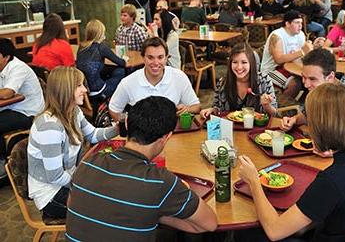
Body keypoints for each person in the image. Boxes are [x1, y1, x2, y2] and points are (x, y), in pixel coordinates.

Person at [238, 83, 345, 241]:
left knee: (249, 234)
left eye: (310, 121)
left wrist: (253, 181)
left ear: (322, 127)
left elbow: (274, 230)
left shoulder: (333, 180)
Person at [65, 96, 217, 240]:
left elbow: (71, 204)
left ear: (126, 124)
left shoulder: (88, 162)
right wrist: (155, 213)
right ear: (166, 138)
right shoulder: (160, 182)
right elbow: (209, 224)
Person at [27, 67, 119, 219]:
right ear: (65, 89)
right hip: (51, 195)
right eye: (79, 85)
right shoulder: (50, 128)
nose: (85, 90)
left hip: (67, 181)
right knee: (109, 206)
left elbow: (93, 135)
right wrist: (86, 183)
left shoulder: (74, 111)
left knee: (112, 193)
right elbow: (55, 177)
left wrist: (119, 128)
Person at [109, 37, 201, 121]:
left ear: (166, 58)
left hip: (172, 133)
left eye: (160, 57)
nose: (156, 63)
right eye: (150, 57)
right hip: (142, 136)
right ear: (143, 58)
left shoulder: (179, 77)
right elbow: (114, 109)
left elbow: (196, 106)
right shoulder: (128, 82)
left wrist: (187, 109)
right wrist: (128, 124)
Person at [0, 38, 44, 179]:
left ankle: (2, 166)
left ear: (6, 57)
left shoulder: (17, 68)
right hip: (12, 107)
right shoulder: (2, 67)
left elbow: (7, 93)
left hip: (28, 112)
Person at [201, 43, 277, 118]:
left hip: (258, 128)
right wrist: (211, 110)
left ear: (251, 63)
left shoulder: (264, 80)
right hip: (230, 128)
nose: (239, 67)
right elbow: (217, 107)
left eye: (244, 62)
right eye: (235, 62)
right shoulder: (223, 82)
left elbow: (274, 114)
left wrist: (266, 105)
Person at [260, 10, 314, 101]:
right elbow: (279, 59)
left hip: (290, 67)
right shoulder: (277, 36)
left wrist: (314, 46)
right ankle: (280, 106)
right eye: (297, 23)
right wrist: (302, 52)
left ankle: (303, 104)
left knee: (311, 78)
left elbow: (305, 54)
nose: (300, 25)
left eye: (301, 22)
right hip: (271, 70)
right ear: (287, 24)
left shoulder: (300, 34)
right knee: (295, 83)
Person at [77, 19, 126, 99]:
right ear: (100, 34)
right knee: (121, 71)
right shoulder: (101, 47)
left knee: (104, 70)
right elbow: (122, 63)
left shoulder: (81, 46)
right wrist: (124, 59)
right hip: (98, 91)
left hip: (84, 89)